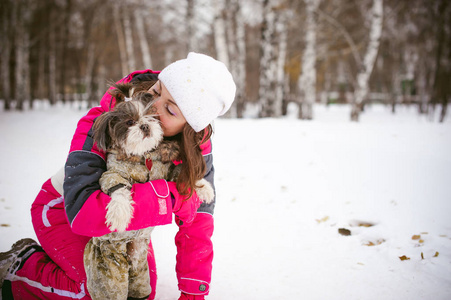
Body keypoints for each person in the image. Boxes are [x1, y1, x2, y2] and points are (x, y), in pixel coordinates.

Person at [0, 52, 236, 300]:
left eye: (169, 109)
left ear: (189, 128)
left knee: (140, 293)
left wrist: (193, 293)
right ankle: (21, 266)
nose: (152, 107)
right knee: (96, 290)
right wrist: (170, 199)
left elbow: (198, 220)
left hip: (129, 226)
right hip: (64, 211)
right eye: (156, 91)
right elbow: (83, 214)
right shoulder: (108, 118)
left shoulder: (195, 147)